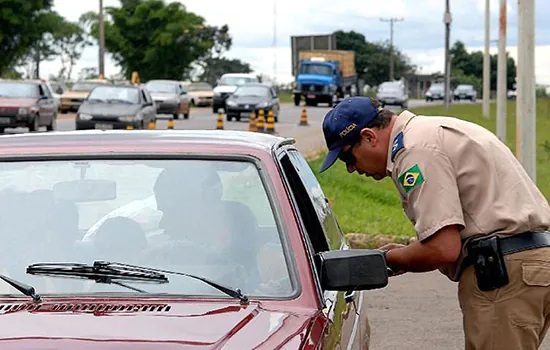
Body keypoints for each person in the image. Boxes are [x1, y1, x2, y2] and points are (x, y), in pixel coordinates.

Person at [319, 96, 550, 350]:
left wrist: (388, 260)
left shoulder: (414, 150)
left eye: (347, 157)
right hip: (528, 265)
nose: (351, 169)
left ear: (369, 137)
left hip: (503, 275)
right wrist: (408, 250)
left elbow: (443, 248)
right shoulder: (429, 131)